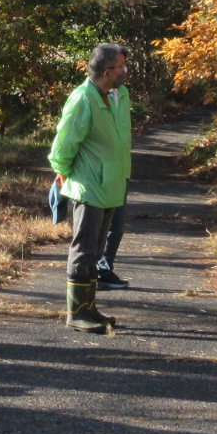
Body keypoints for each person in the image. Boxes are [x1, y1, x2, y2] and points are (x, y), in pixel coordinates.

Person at [49, 44, 133, 333]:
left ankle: (89, 307)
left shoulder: (119, 94)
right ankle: (77, 312)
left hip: (112, 182)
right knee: (84, 248)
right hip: (89, 185)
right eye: (121, 66)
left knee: (97, 249)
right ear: (108, 71)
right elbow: (64, 142)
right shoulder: (82, 98)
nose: (125, 71)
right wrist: (61, 170)